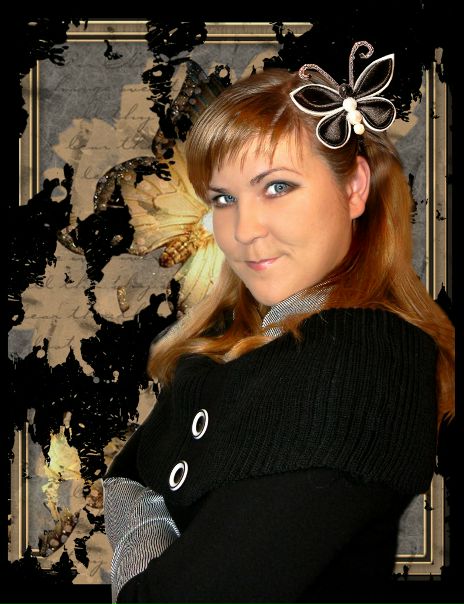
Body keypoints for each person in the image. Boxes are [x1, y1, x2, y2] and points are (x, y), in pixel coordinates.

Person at [103, 41, 455, 603]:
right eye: (223, 198)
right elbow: (130, 472)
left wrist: (144, 534)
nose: (244, 231)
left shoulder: (363, 361)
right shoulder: (238, 334)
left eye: (277, 187)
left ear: (354, 188)